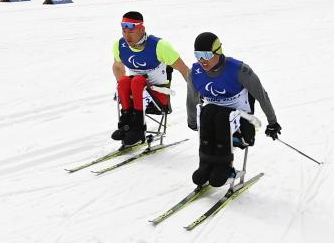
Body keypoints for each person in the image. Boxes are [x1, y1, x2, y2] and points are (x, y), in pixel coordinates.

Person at [186, 32, 280, 187]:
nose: (202, 60)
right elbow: (192, 98)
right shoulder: (195, 73)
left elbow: (262, 95)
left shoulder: (239, 70)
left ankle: (224, 165)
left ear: (218, 52)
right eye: (198, 55)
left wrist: (272, 122)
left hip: (242, 123)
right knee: (208, 112)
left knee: (221, 115)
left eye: (206, 55)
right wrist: (191, 121)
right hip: (213, 118)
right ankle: (205, 164)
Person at [111, 11, 191, 147]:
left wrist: (197, 94)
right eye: (124, 31)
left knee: (137, 80)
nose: (126, 35)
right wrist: (122, 91)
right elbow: (118, 67)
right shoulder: (120, 45)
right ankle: (126, 124)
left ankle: (138, 129)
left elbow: (184, 69)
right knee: (124, 81)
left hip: (158, 96)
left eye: (131, 31)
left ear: (142, 29)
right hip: (136, 94)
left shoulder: (159, 46)